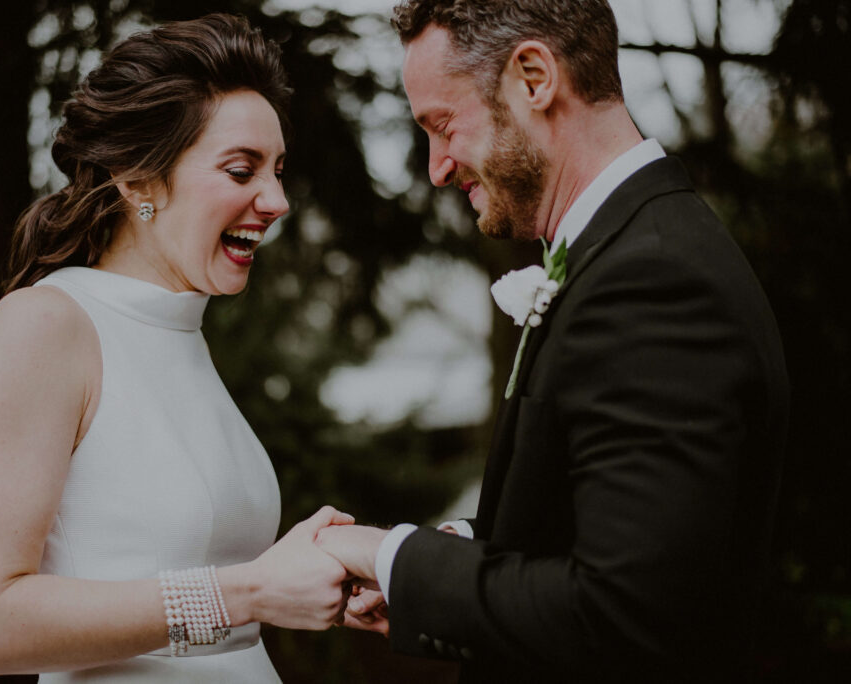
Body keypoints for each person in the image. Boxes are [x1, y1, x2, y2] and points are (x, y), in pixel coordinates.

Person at [315, 1, 789, 682]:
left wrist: (388, 555)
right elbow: (602, 534)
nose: (436, 169)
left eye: (442, 125)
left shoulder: (654, 282)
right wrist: (452, 555)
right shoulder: (624, 254)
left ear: (535, 77)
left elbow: (622, 617)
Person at [0, 14, 353, 682]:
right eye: (242, 169)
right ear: (137, 181)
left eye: (277, 170)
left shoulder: (181, 330)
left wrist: (323, 568)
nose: (275, 200)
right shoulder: (41, 326)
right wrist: (244, 593)